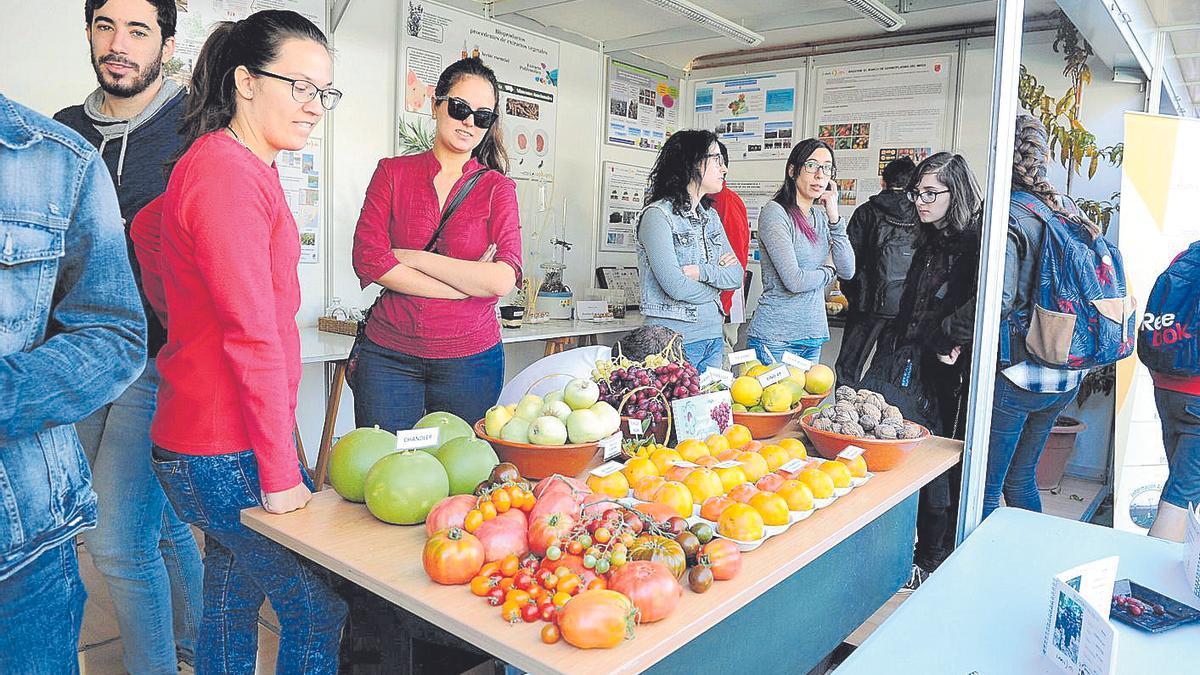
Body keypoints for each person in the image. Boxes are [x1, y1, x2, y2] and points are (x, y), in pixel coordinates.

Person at [129, 11, 346, 671]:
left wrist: (189, 319)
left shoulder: (239, 162)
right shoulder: (227, 171)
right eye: (300, 87)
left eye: (324, 92)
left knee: (229, 594)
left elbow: (146, 226)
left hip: (203, 440)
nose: (315, 107)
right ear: (246, 81)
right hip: (224, 449)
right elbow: (253, 336)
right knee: (316, 606)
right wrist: (281, 475)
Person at [54, 1, 204, 670]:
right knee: (160, 523)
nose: (119, 44)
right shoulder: (59, 132)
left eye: (138, 30)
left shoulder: (196, 127)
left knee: (116, 542)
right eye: (105, 26)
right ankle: (198, 650)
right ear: (88, 31)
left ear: (166, 44)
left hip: (159, 359)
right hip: (78, 357)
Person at [0, 92, 147, 674]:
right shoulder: (73, 129)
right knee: (129, 543)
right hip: (95, 383)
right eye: (108, 24)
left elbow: (115, 329)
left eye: (141, 29)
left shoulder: (60, 158)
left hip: (22, 533)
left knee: (137, 541)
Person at [351, 57, 522, 433]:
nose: (468, 122)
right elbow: (369, 260)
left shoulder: (498, 188)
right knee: (386, 471)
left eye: (482, 116)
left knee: (459, 479)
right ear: (436, 103)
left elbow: (501, 279)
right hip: (389, 356)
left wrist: (411, 257)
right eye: (460, 108)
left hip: (471, 359)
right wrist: (464, 285)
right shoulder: (392, 172)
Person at [863, 152, 982, 587]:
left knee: (938, 464)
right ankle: (914, 553)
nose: (920, 201)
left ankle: (932, 557)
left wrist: (948, 338)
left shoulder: (976, 240)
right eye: (917, 192)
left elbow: (984, 304)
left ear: (958, 192)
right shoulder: (931, 236)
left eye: (931, 193)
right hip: (911, 358)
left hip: (948, 369)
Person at [982, 116, 1098, 521]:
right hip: (1066, 372)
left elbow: (1001, 300)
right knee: (1021, 479)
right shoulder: (1068, 208)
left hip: (1018, 373)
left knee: (985, 486)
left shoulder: (1009, 214)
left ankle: (976, 575)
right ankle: (1024, 561)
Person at [637, 129, 743, 372]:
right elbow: (673, 284)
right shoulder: (658, 216)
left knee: (710, 409)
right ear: (693, 162)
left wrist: (701, 272)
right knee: (670, 410)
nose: (723, 168)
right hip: (671, 341)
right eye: (717, 159)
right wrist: (716, 286)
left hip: (712, 336)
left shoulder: (711, 217)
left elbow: (736, 277)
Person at [747, 139, 855, 364]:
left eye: (827, 168)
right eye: (812, 165)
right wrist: (827, 270)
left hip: (812, 335)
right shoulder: (775, 213)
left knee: (809, 401)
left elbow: (847, 269)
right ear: (792, 170)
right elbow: (794, 281)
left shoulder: (820, 218)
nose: (820, 175)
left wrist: (834, 217)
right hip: (775, 338)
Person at [835, 156, 919, 387]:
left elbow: (847, 263)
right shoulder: (919, 214)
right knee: (885, 368)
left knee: (848, 367)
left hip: (866, 304)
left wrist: (853, 295)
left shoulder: (866, 212)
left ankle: (845, 416)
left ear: (883, 182)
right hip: (904, 307)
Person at [1140, 241, 1200, 541]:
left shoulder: (1188, 255)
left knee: (1183, 490)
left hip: (1168, 387)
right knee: (1179, 501)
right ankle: (1143, 586)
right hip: (1197, 398)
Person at [710, 141, 750, 341]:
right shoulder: (703, 200)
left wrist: (721, 307)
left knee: (721, 359)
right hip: (711, 304)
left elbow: (735, 261)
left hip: (723, 303)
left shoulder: (726, 201)